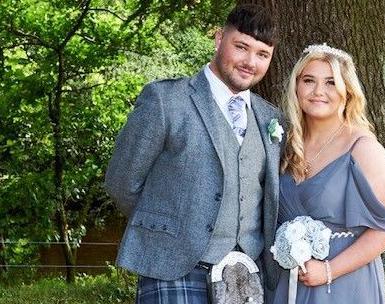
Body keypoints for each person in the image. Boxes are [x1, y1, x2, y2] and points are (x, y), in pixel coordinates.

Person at [104, 4, 283, 303]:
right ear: (217, 39)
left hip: (247, 278)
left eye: (262, 54)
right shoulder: (165, 101)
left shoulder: (271, 118)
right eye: (241, 47)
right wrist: (168, 230)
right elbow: (121, 183)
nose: (250, 62)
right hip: (173, 270)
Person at [270, 44, 385, 303]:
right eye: (309, 81)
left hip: (343, 284)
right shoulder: (286, 144)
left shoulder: (363, 148)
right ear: (296, 87)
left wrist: (328, 271)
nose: (318, 92)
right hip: (288, 280)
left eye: (331, 82)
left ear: (347, 90)